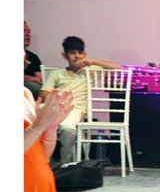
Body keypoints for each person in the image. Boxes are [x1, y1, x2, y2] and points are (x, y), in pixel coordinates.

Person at [39, 36, 121, 165]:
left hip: (74, 108)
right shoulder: (57, 73)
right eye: (72, 53)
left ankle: (65, 162)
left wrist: (92, 62)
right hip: (55, 106)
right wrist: (56, 101)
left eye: (80, 53)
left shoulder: (90, 72)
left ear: (84, 54)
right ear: (64, 55)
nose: (77, 56)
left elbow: (117, 67)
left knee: (67, 128)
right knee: (34, 122)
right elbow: (44, 92)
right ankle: (42, 162)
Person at [25, 21, 45, 99]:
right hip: (29, 87)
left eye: (29, 32)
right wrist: (32, 79)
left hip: (34, 87)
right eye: (23, 31)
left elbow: (40, 79)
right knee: (33, 86)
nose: (27, 35)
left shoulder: (33, 57)